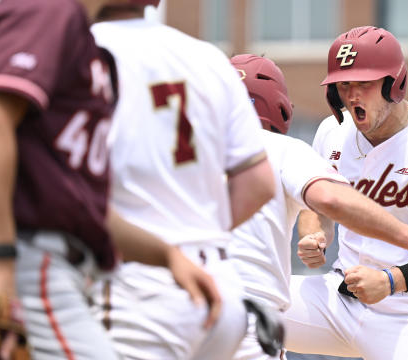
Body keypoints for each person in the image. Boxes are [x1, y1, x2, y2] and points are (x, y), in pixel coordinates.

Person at [0, 0, 221, 358]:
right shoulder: (49, 8)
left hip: (31, 264)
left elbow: (78, 205)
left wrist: (168, 256)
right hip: (19, 265)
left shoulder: (83, 43)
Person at [227, 54, 408, 360]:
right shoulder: (332, 131)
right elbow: (316, 209)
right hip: (339, 297)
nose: (352, 94)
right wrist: (314, 235)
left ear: (393, 84)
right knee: (246, 304)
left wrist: (391, 280)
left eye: (364, 83)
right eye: (344, 85)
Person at [89, 2, 275, 360]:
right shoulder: (207, 57)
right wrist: (196, 234)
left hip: (135, 288)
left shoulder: (78, 52)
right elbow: (258, 183)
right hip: (219, 284)